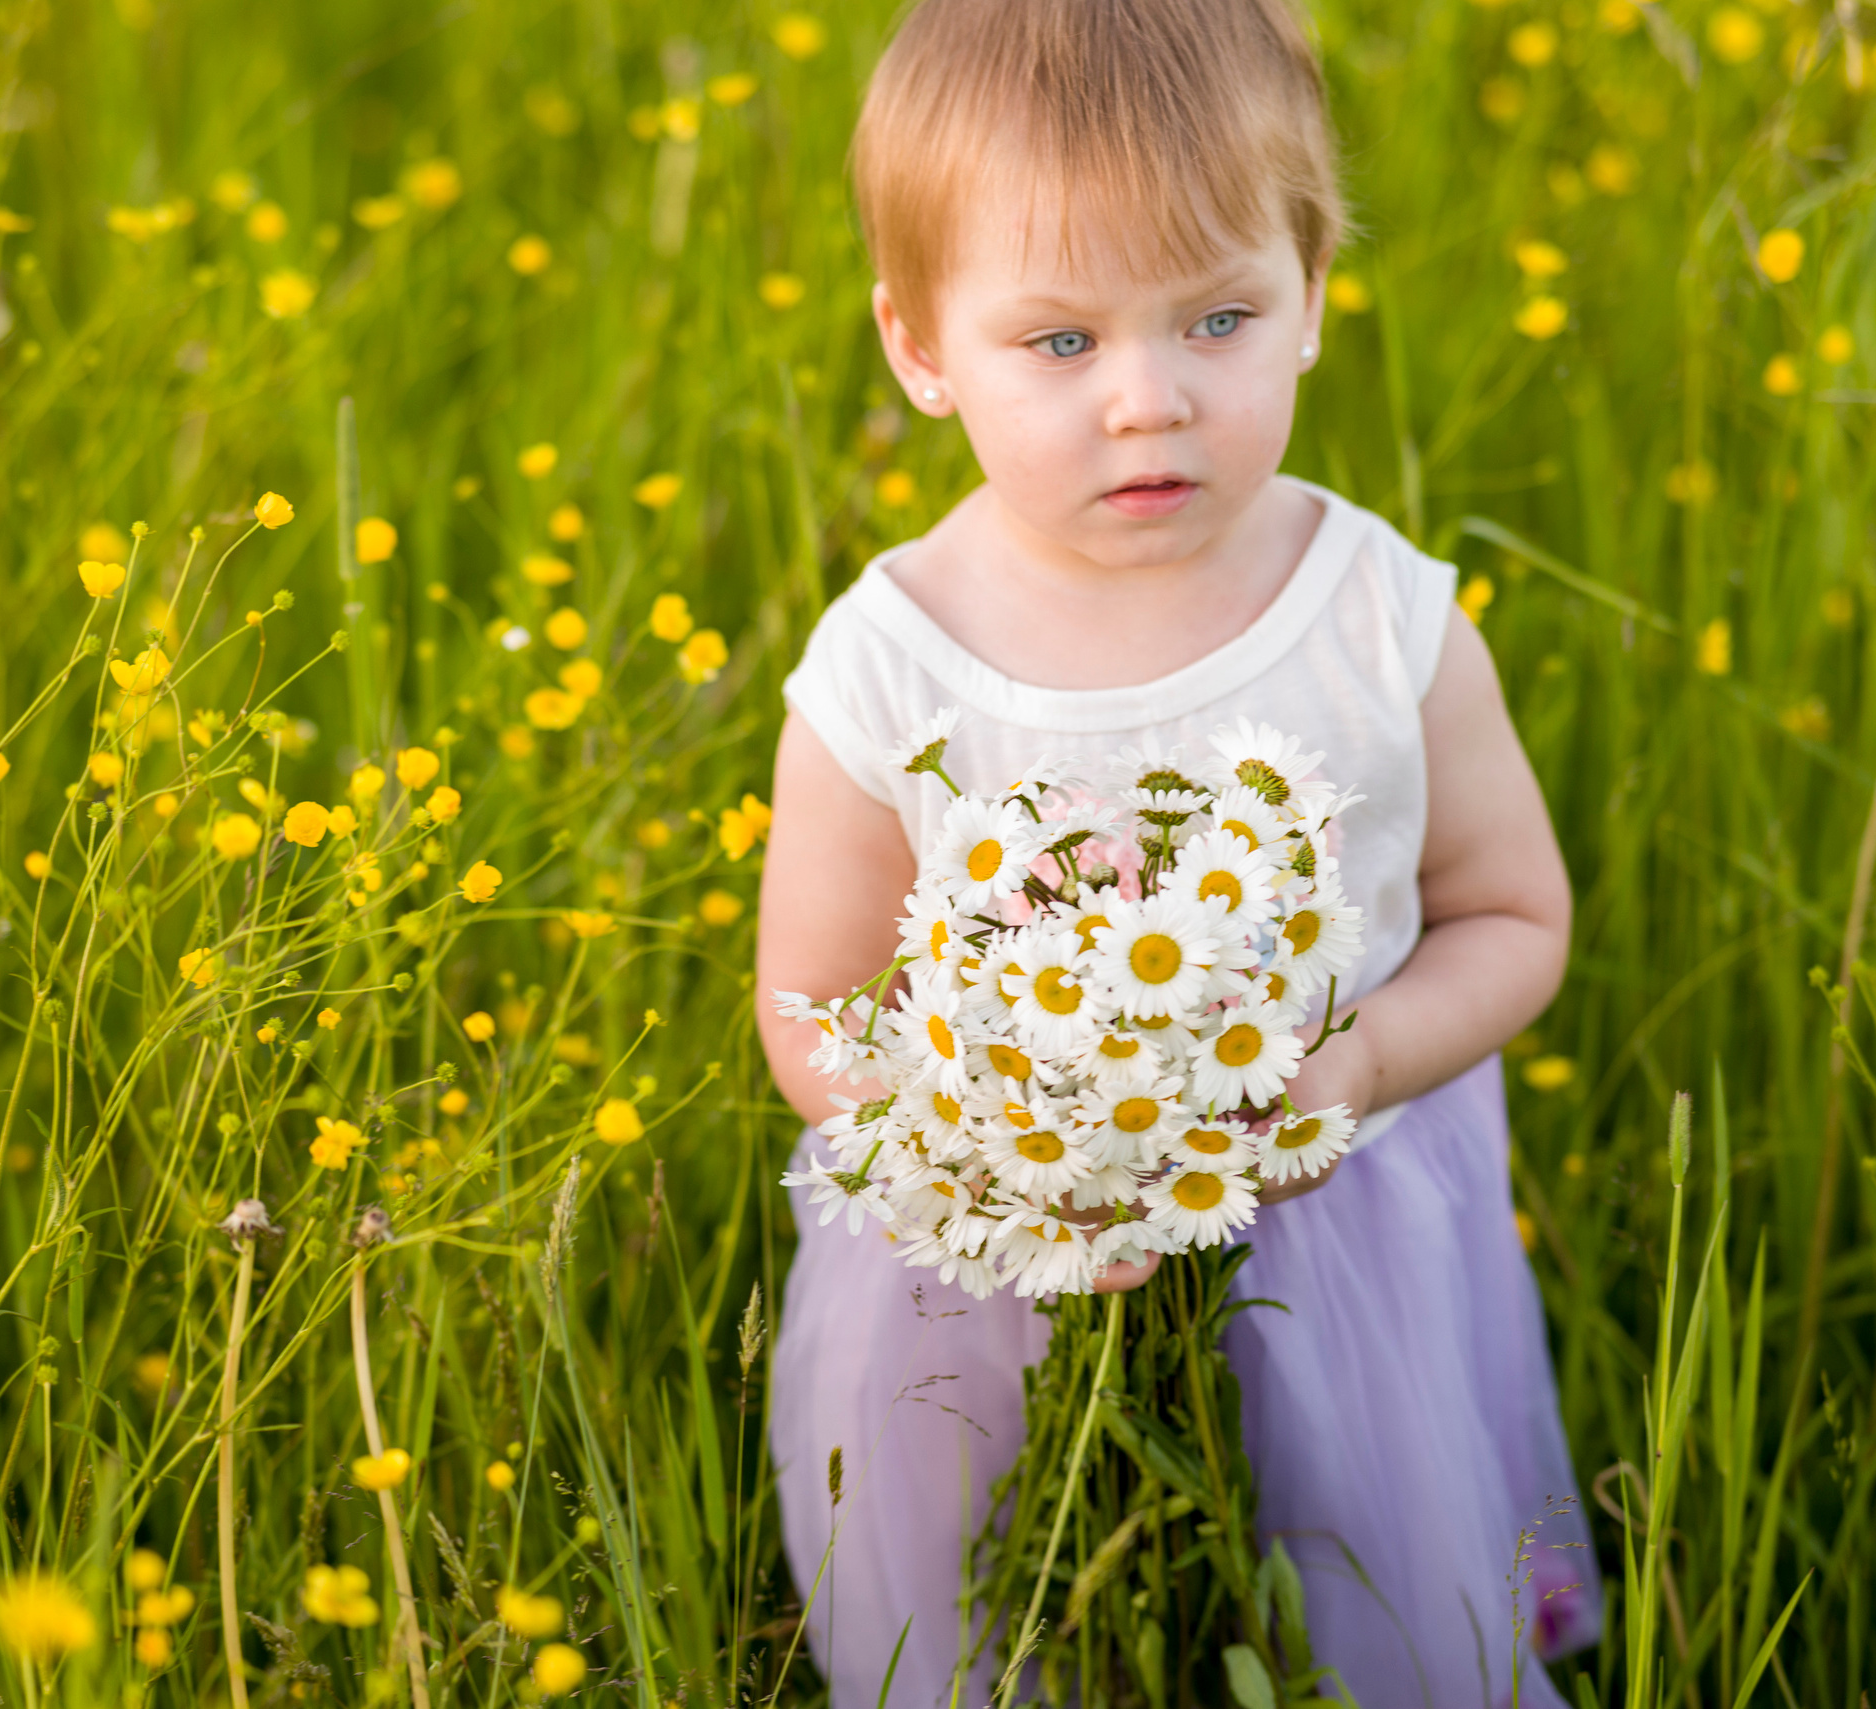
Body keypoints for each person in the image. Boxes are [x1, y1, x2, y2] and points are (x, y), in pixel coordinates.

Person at [754, 0, 1603, 1698]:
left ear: (1310, 300)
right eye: (1058, 343)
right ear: (920, 347)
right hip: (987, 1238)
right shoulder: (890, 659)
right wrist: (1000, 1158)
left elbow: (1513, 913)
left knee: (1375, 1580)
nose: (1149, 400)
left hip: (1329, 1204)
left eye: (1218, 316)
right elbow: (811, 1000)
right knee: (979, 1582)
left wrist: (1356, 1065)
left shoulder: (1378, 623)